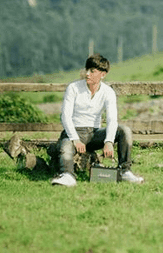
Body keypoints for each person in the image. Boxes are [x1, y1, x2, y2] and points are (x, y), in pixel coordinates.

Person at [51, 54, 143, 186]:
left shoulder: (108, 92)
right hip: (74, 133)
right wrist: (75, 139)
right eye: (86, 70)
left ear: (103, 75)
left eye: (92, 71)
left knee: (125, 130)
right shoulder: (73, 88)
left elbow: (112, 119)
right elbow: (65, 116)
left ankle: (124, 171)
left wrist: (109, 141)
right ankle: (67, 175)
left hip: (95, 133)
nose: (87, 74)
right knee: (65, 146)